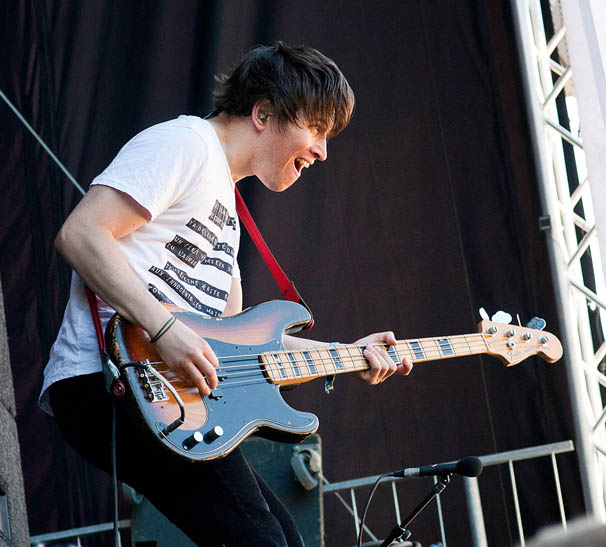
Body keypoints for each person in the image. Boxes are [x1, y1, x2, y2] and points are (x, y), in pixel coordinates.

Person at [40, 42, 413, 546]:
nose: (323, 151)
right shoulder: (185, 144)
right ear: (263, 113)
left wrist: (350, 355)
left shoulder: (229, 220)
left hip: (168, 397)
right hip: (110, 379)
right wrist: (166, 328)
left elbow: (239, 354)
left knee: (281, 536)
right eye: (317, 129)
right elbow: (81, 234)